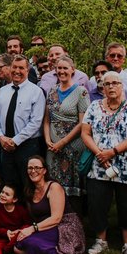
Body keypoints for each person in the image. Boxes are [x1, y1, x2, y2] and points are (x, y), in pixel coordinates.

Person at [80, 71, 127, 254]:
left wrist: (113, 151)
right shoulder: (94, 107)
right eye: (106, 84)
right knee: (97, 204)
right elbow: (85, 133)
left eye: (115, 83)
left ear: (122, 85)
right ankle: (101, 241)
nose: (110, 87)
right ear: (102, 88)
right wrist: (99, 152)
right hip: (99, 163)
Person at [0, 55, 45, 190]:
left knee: (28, 186)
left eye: (21, 68)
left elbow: (36, 122)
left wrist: (15, 141)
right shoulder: (2, 91)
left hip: (27, 146)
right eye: (14, 67)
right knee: (10, 185)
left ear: (27, 70)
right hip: (5, 146)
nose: (17, 71)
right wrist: (1, 138)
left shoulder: (36, 92)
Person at [42, 56, 90, 208]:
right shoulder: (51, 91)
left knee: (72, 185)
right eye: (59, 68)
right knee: (54, 181)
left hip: (73, 144)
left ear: (72, 70)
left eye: (65, 68)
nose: (62, 71)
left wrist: (63, 142)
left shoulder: (81, 92)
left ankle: (75, 221)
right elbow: (47, 120)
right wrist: (47, 139)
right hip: (53, 146)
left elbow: (83, 123)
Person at [12, 156, 71, 254]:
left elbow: (56, 218)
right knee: (17, 247)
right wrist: (22, 230)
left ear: (44, 171)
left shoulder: (54, 187)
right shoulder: (30, 191)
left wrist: (32, 229)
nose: (33, 171)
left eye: (37, 168)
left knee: (28, 242)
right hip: (44, 227)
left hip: (63, 226)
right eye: (30, 168)